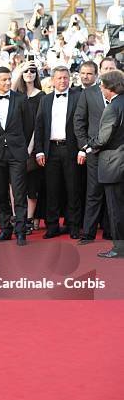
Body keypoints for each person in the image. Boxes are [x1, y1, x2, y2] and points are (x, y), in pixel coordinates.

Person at [35, 66, 82, 239]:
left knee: (73, 189)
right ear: (53, 80)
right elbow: (39, 126)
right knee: (52, 190)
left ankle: (74, 226)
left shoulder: (78, 97)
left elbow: (82, 124)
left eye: (65, 77)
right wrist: (39, 151)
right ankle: (52, 226)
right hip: (50, 150)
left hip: (71, 149)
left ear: (69, 79)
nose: (62, 81)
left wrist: (82, 149)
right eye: (59, 78)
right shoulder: (45, 100)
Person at [75, 58, 118, 244]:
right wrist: (85, 147)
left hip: (116, 153)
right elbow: (79, 121)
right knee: (93, 192)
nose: (108, 71)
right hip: (94, 152)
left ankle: (110, 231)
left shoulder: (121, 96)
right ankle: (89, 232)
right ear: (99, 71)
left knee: (113, 193)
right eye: (105, 68)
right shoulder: (89, 93)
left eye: (111, 68)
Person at [0, 66, 29, 246]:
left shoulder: (21, 99)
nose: (8, 82)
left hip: (16, 152)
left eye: (9, 79)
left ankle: (21, 232)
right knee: (0, 194)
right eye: (3, 79)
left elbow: (28, 125)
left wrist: (19, 143)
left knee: (19, 194)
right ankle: (5, 229)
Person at [89, 70, 124, 258]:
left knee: (116, 210)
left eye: (102, 86)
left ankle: (119, 249)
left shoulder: (112, 108)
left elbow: (103, 138)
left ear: (111, 87)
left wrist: (89, 147)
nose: (101, 89)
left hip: (113, 165)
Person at [13, 61, 45, 234]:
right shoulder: (16, 94)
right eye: (26, 71)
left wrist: (30, 145)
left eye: (33, 71)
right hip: (15, 144)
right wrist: (19, 69)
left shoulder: (42, 96)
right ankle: (16, 217)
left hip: (33, 145)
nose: (30, 73)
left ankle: (29, 219)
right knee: (15, 183)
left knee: (32, 185)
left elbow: (38, 124)